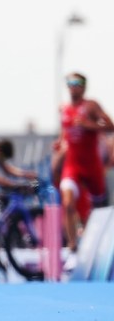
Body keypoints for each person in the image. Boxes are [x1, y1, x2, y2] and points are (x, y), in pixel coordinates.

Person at [55, 72, 113, 253]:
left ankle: (93, 244)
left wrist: (90, 125)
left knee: (98, 210)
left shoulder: (91, 106)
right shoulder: (63, 109)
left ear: (84, 86)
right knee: (68, 203)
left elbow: (111, 126)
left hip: (92, 165)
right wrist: (59, 142)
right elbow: (64, 133)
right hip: (72, 165)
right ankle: (72, 245)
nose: (74, 86)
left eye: (78, 83)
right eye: (70, 82)